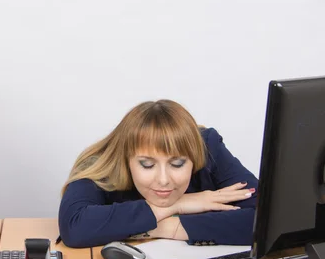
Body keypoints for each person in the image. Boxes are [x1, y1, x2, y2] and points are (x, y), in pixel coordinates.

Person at [58, 100, 257, 248]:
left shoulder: (207, 146)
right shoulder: (101, 163)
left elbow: (267, 220)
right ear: (126, 159)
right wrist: (180, 204)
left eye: (177, 164)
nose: (163, 180)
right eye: (147, 165)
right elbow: (74, 226)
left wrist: (166, 226)